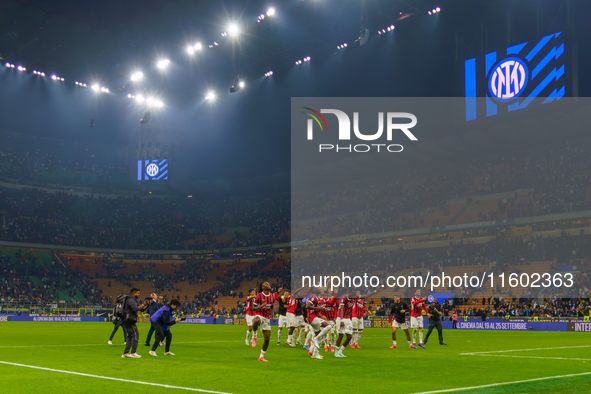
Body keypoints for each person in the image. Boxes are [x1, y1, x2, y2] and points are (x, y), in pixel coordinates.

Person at [121, 287, 150, 358]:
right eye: (138, 293)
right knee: (135, 335)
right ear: (134, 293)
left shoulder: (131, 299)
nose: (139, 294)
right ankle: (133, 352)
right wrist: (143, 304)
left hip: (127, 319)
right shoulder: (131, 300)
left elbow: (141, 310)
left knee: (130, 336)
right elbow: (136, 309)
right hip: (129, 320)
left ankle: (125, 353)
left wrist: (147, 305)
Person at [251, 282, 276, 362]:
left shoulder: (272, 296)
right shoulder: (259, 296)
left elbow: (272, 307)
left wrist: (272, 316)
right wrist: (261, 306)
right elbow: (253, 308)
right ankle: (254, 336)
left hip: (267, 318)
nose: (269, 285)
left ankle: (261, 356)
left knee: (267, 338)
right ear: (262, 287)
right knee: (256, 320)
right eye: (266, 284)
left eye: (269, 284)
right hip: (259, 315)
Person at [335, 290, 356, 358]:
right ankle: (336, 352)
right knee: (341, 335)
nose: (354, 296)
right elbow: (341, 309)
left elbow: (365, 296)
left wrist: (375, 291)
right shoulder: (344, 298)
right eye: (353, 294)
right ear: (350, 292)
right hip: (341, 318)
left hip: (348, 319)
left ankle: (340, 351)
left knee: (349, 336)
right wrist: (342, 320)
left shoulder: (353, 299)